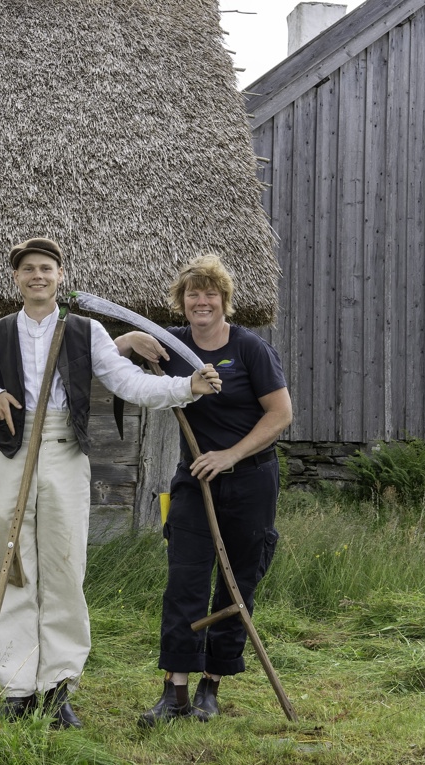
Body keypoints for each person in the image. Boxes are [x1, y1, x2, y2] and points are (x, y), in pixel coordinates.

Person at [0, 237, 224, 729]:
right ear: (16, 278)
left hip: (64, 450)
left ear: (60, 276)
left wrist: (184, 388)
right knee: (7, 563)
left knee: (64, 565)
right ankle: (18, 687)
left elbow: (127, 382)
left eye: (46, 268)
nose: (38, 276)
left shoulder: (85, 330)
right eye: (28, 269)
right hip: (13, 452)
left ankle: (57, 688)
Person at [114, 254, 292, 726]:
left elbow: (280, 414)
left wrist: (231, 454)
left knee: (238, 580)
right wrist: (129, 340)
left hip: (251, 478)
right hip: (194, 480)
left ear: (224, 300)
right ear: (182, 300)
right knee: (185, 580)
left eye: (210, 293)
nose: (202, 301)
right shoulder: (171, 347)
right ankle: (174, 692)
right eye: (193, 293)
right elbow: (104, 363)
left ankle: (211, 684)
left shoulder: (250, 349)